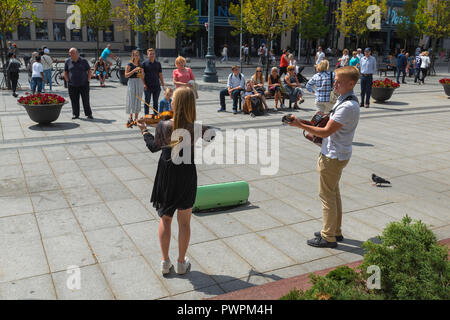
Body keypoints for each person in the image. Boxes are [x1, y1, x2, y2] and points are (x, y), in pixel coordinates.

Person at [136, 87, 215, 275]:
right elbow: (212, 135)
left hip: (167, 172)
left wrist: (144, 130)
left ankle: (165, 262)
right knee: (185, 222)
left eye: (173, 100)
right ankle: (181, 263)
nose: (170, 101)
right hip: (186, 172)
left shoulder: (164, 126)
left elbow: (153, 147)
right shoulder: (194, 127)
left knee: (165, 218)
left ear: (176, 104)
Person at [287, 66, 360, 248]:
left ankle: (328, 237)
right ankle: (335, 230)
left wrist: (300, 126)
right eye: (335, 79)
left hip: (333, 156)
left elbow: (326, 132)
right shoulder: (345, 100)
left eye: (339, 81)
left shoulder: (348, 106)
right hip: (338, 153)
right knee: (333, 193)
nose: (334, 83)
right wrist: (304, 122)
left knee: (326, 196)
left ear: (351, 83)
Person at [64, 48, 93, 120]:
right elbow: (65, 72)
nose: (70, 54)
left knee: (86, 100)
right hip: (72, 85)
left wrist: (88, 80)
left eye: (72, 53)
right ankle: (75, 114)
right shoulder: (68, 61)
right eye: (69, 53)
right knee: (74, 100)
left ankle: (88, 114)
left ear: (77, 53)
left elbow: (89, 70)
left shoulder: (83, 61)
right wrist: (68, 81)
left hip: (84, 84)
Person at [143, 48, 166, 115]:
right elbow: (142, 75)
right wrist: (144, 84)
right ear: (147, 55)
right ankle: (146, 116)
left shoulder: (158, 63)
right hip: (148, 86)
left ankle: (155, 116)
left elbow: (160, 74)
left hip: (156, 86)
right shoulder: (144, 63)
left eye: (153, 54)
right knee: (147, 102)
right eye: (150, 54)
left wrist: (163, 84)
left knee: (155, 102)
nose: (152, 55)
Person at [125, 50, 145, 126]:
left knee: (138, 99)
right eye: (135, 55)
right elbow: (126, 75)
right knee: (131, 99)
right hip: (132, 82)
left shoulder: (140, 64)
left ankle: (136, 118)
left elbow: (142, 76)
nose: (137, 56)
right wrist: (134, 70)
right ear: (133, 56)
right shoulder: (129, 64)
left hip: (139, 82)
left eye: (138, 55)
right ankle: (131, 117)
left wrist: (142, 72)